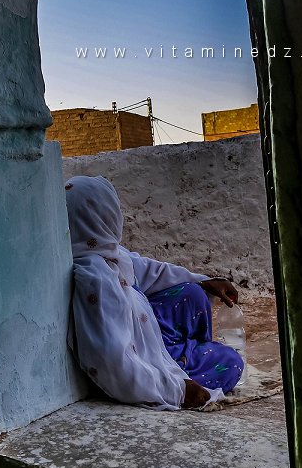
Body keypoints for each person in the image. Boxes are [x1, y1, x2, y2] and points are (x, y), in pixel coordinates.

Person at [65, 174, 244, 411]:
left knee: (193, 294)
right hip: (141, 365)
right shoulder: (96, 277)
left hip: (144, 332)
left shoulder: (109, 253)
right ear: (106, 216)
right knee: (230, 362)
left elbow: (151, 271)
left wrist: (204, 281)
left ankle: (183, 355)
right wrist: (178, 391)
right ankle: (182, 366)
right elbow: (112, 361)